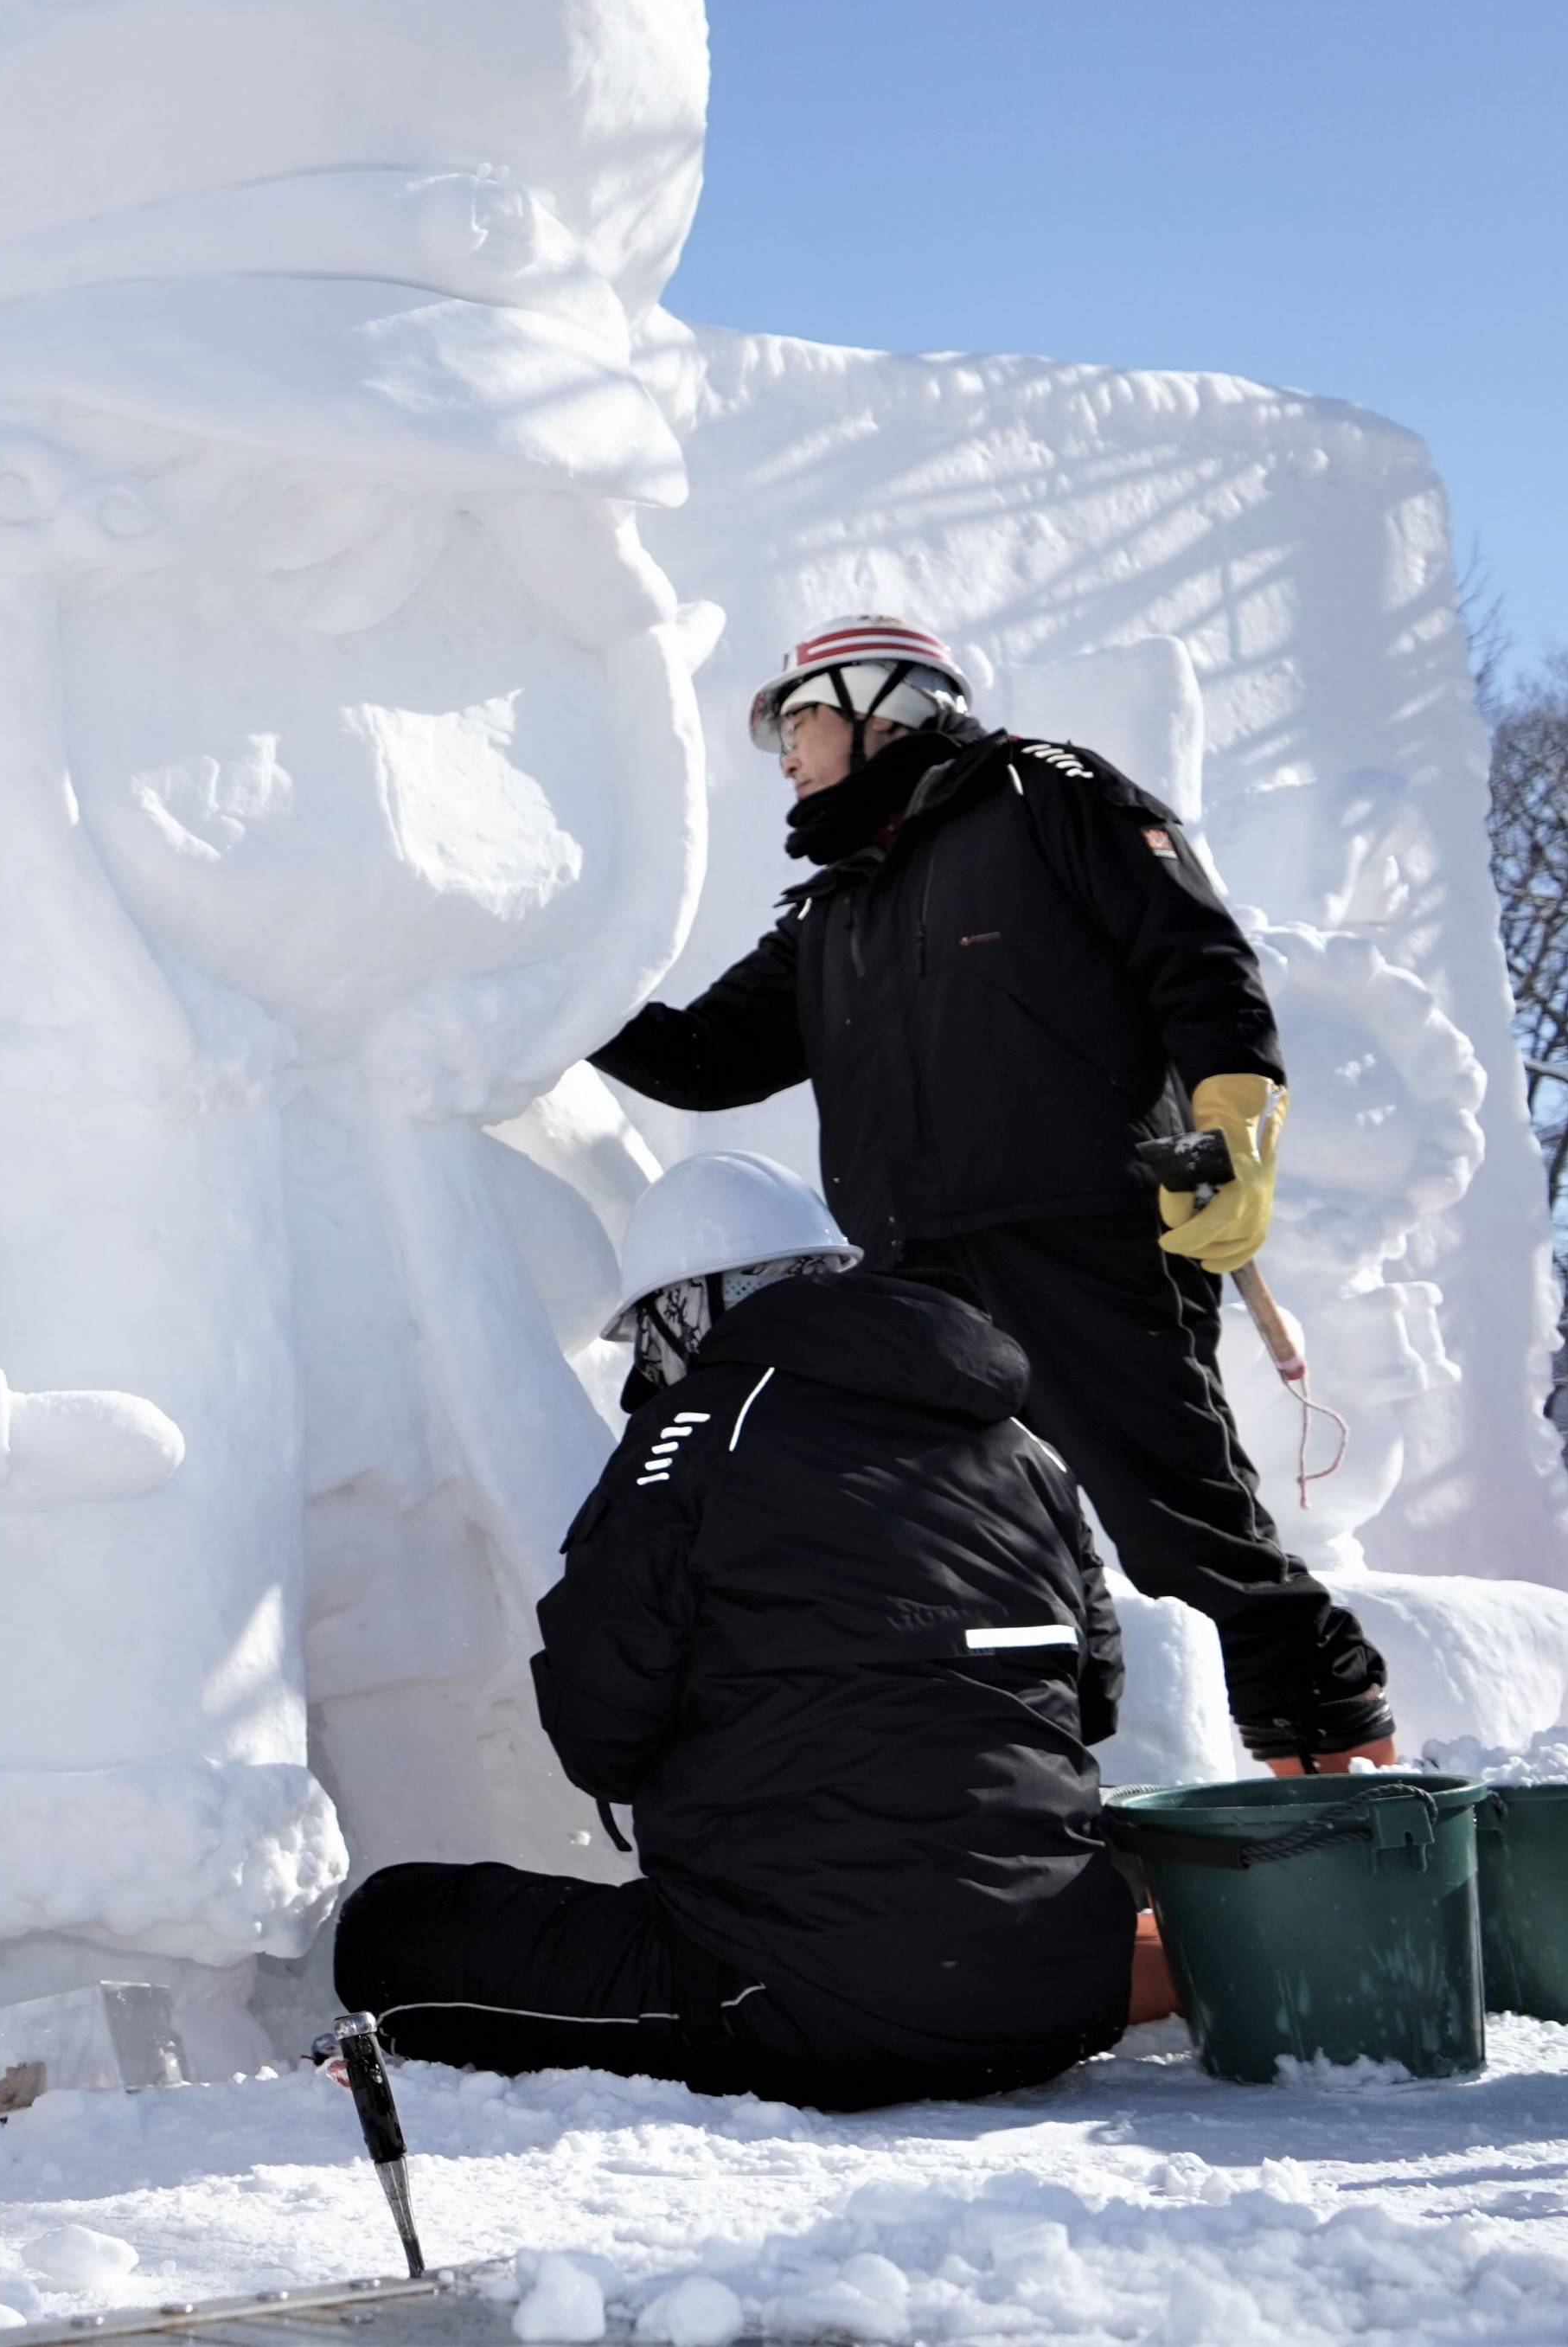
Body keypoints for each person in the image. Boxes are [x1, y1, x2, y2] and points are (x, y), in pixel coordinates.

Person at [589, 614, 1392, 1773]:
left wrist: (1233, 1116)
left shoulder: (1040, 791)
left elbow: (1193, 949)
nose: (784, 753)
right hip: (915, 1280)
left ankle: (1345, 1780)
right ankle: (1017, 1805)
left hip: (1081, 1233)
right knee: (950, 1549)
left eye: (798, 718)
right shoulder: (831, 912)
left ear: (885, 702)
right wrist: (552, 997)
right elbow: (702, 1061)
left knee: (1181, 1532)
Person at [331, 1154, 1136, 2108]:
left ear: (691, 1305)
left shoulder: (698, 1429)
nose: (650, 1366)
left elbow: (601, 1723)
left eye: (651, 1335)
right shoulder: (1017, 1443)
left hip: (814, 1999)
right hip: (1063, 1989)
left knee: (392, 1933)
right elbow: (1095, 1697)